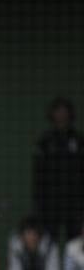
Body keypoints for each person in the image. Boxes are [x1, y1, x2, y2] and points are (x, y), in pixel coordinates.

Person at [33, 97, 84, 247]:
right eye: (58, 111)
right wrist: (39, 202)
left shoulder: (78, 140)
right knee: (48, 241)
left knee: (76, 242)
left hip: (75, 201)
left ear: (69, 114)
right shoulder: (45, 141)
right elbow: (38, 174)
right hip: (51, 202)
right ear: (53, 114)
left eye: (64, 111)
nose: (61, 115)